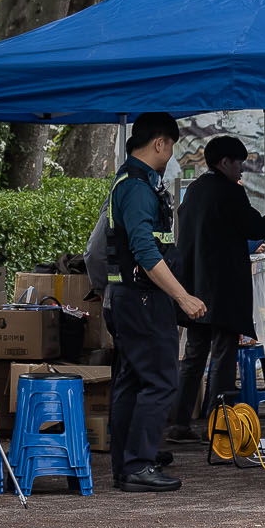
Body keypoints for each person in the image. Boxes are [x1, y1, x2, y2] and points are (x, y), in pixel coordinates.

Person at [104, 112, 207, 493]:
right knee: (162, 380)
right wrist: (182, 296)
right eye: (172, 146)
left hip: (131, 299)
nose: (172, 155)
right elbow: (145, 252)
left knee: (133, 380)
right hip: (143, 299)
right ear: (160, 143)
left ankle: (129, 461)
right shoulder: (137, 187)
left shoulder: (133, 182)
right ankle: (139, 464)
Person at [167, 135, 265, 445]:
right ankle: (219, 424)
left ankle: (178, 423)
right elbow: (254, 227)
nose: (242, 169)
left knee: (192, 357)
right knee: (223, 358)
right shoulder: (229, 192)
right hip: (223, 289)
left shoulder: (195, 192)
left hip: (194, 287)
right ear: (224, 162)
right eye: (239, 162)